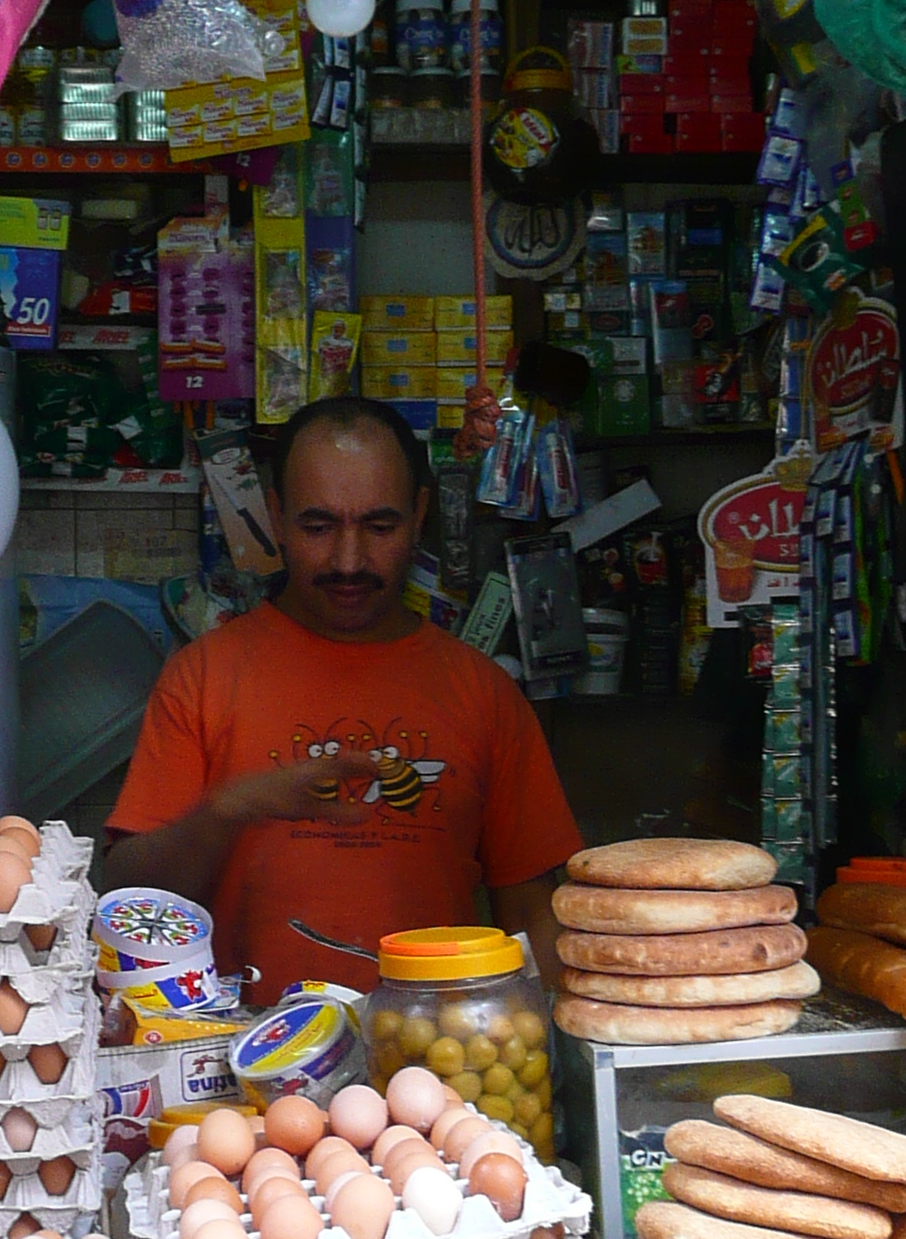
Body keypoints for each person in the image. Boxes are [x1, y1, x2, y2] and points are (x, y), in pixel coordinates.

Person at [102, 396, 580, 1005]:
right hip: (249, 1067)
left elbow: (533, 912)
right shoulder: (203, 677)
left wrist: (542, 1059)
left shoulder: (483, 693)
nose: (349, 561)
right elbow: (126, 900)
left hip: (437, 1063)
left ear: (419, 514)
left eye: (379, 527)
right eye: (318, 527)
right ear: (275, 516)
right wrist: (226, 811)